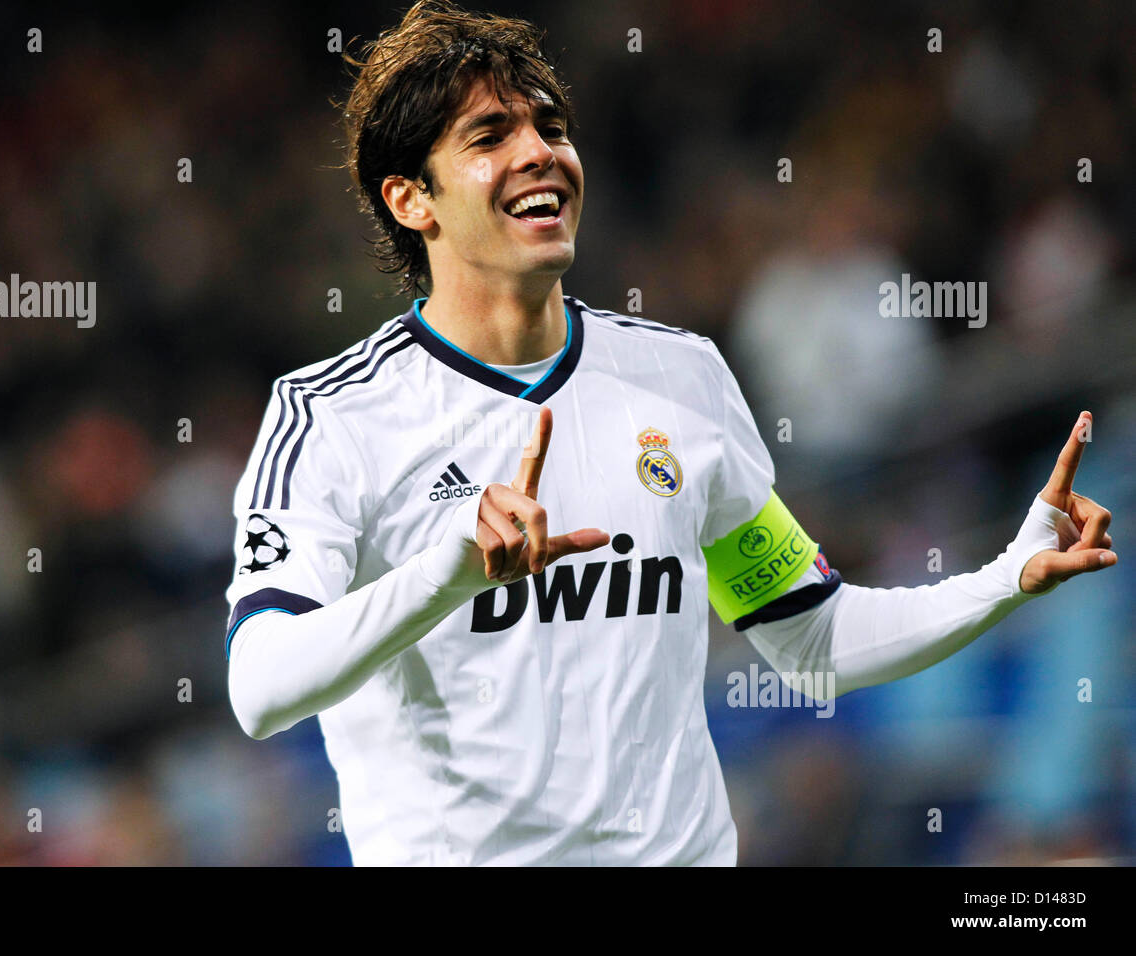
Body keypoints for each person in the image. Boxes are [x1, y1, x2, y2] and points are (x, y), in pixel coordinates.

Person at [224, 0, 1116, 865]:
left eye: (551, 126)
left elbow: (809, 638)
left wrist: (1005, 580)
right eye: (490, 137)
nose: (540, 153)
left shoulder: (680, 377)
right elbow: (260, 687)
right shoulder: (335, 417)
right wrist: (444, 575)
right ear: (411, 199)